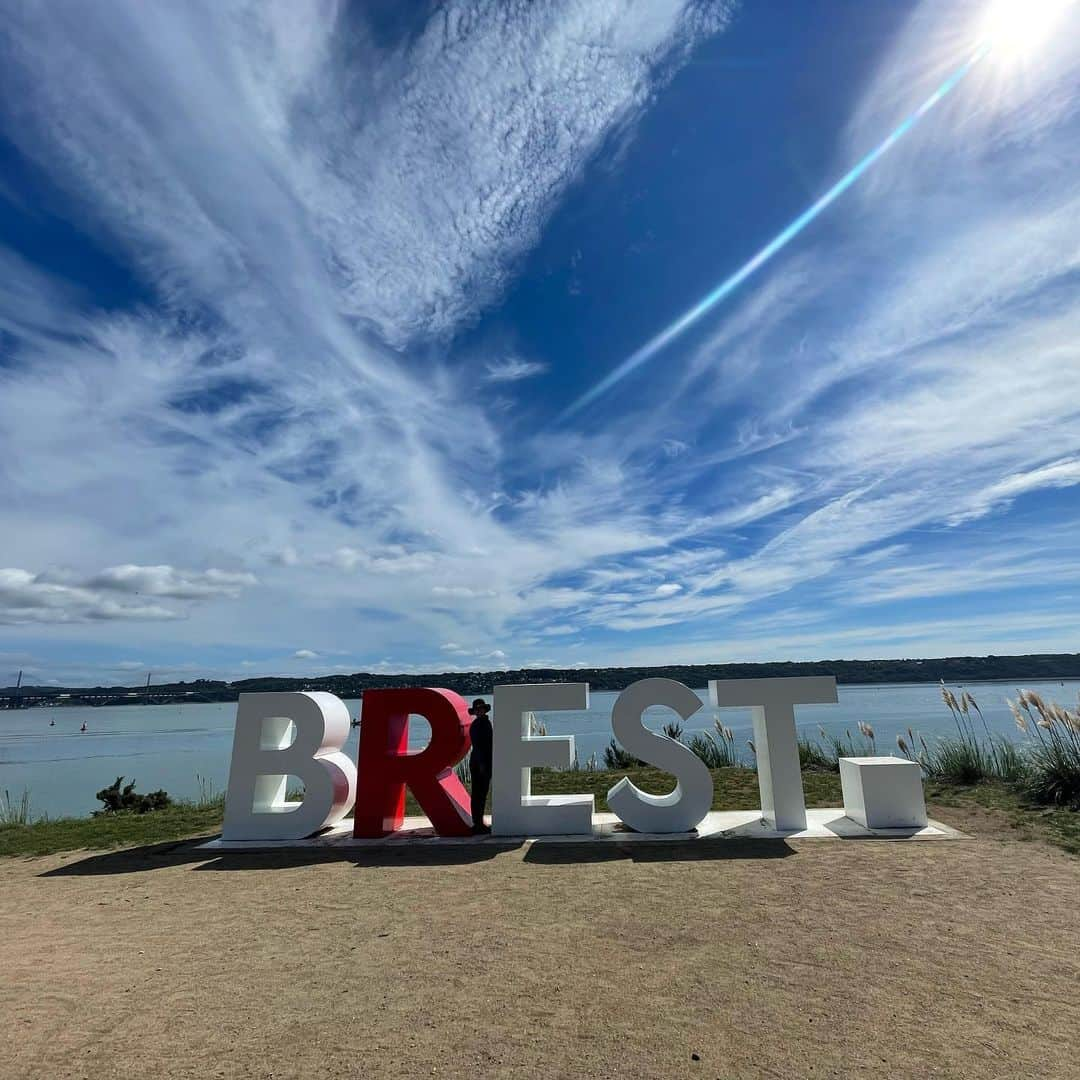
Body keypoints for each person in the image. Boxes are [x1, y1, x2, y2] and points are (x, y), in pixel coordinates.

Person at [467, 698, 492, 834]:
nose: (479, 711)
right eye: (477, 709)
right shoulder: (479, 724)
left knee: (480, 794)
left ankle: (478, 823)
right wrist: (483, 764)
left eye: (481, 708)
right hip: (480, 763)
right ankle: (477, 824)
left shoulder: (482, 723)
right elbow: (479, 746)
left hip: (481, 762)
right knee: (479, 794)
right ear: (475, 711)